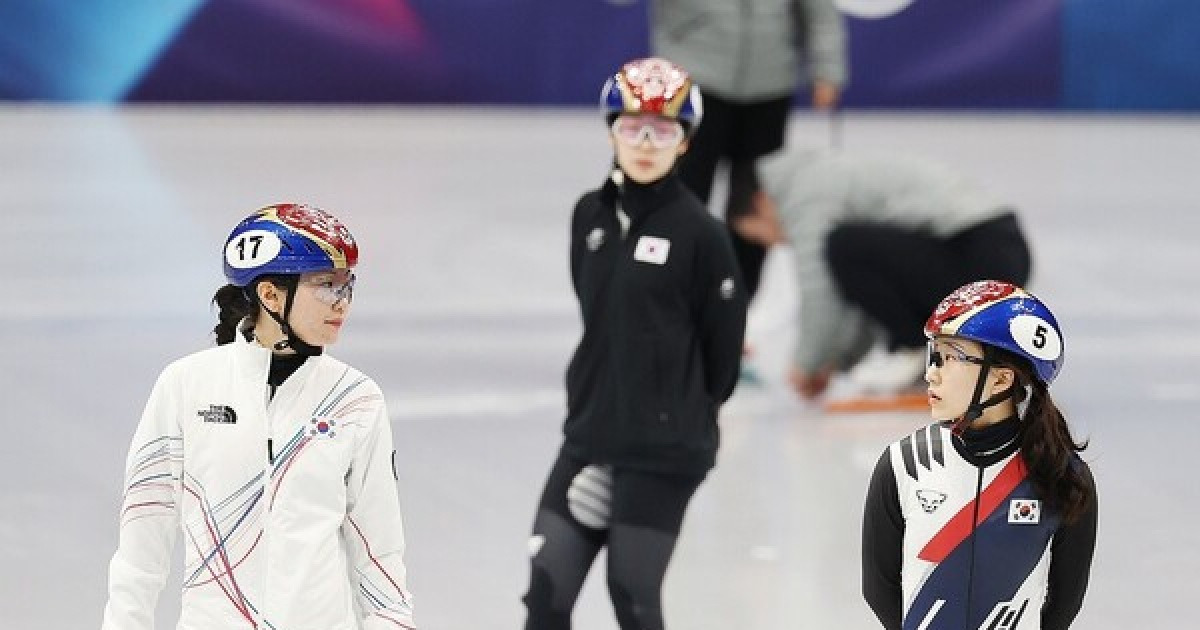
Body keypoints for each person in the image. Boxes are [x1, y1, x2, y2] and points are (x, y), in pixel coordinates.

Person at [102, 204, 416, 630]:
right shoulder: (186, 385)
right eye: (326, 286)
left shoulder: (355, 399)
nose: (342, 303)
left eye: (347, 286)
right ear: (270, 295)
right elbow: (142, 543)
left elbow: (380, 557)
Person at [522, 57, 748, 630]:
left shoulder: (704, 236)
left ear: (685, 142)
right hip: (590, 435)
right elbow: (598, 315)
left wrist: (674, 409)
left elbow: (723, 358)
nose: (645, 145)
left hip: (664, 450)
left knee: (633, 598)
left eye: (662, 132)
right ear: (611, 133)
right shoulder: (589, 216)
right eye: (632, 128)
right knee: (545, 598)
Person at [861, 280, 1097, 629]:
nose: (931, 374)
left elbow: (1065, 602)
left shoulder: (1061, 475)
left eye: (950, 358)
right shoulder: (903, 466)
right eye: (934, 356)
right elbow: (878, 589)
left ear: (1001, 380)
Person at [731, 147, 1032, 398]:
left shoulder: (806, 194)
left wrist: (807, 364)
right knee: (847, 250)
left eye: (760, 236)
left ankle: (916, 348)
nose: (776, 244)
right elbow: (865, 291)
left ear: (761, 201)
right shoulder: (824, 175)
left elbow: (819, 287)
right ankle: (921, 349)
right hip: (999, 250)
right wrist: (837, 361)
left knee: (843, 246)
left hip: (977, 251)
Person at [651, 0, 848, 298]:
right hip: (694, 77)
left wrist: (827, 69)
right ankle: (671, 293)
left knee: (755, 201)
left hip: (770, 81)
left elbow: (820, 10)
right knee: (683, 194)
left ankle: (737, 298)